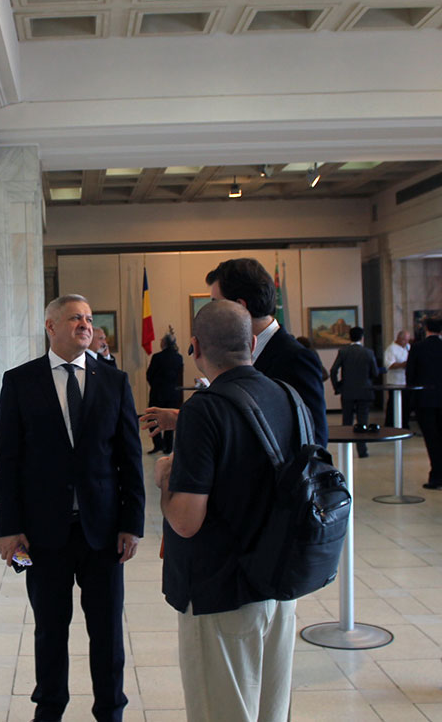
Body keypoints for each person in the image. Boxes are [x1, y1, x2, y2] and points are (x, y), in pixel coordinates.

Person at [0, 294, 145, 722]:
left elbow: (130, 457)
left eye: (89, 318)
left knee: (107, 632)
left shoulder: (114, 381)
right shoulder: (20, 382)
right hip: (43, 535)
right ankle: (50, 708)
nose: (86, 324)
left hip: (103, 531)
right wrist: (8, 527)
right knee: (50, 630)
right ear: (50, 326)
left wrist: (132, 522)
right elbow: (5, 459)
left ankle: (110, 709)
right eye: (75, 317)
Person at [155, 300, 298, 722]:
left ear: (194, 348)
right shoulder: (286, 394)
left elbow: (185, 520)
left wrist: (165, 477)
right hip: (278, 586)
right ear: (252, 343)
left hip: (222, 593)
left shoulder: (205, 409)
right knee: (271, 712)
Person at [143, 259, 329, 448]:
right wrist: (183, 417)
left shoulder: (296, 359)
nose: (212, 311)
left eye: (216, 303)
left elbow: (314, 440)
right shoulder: (238, 353)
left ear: (240, 306)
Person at [330, 326, 377, 458]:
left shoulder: (343, 351)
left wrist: (337, 386)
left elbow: (333, 370)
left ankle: (346, 449)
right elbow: (375, 372)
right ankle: (362, 450)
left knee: (347, 421)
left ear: (349, 337)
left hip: (347, 390)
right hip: (365, 390)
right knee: (362, 421)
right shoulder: (368, 352)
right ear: (362, 338)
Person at [408, 317, 442, 489]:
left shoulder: (418, 348)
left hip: (425, 399)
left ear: (427, 329)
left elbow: (410, 376)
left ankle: (436, 476)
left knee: (432, 439)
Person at [146, 329, 183, 454]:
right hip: (173, 393)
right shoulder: (179, 357)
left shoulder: (157, 357)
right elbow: (179, 376)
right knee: (170, 419)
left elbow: (149, 375)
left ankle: (158, 444)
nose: (160, 342)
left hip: (158, 393)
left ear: (165, 343)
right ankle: (168, 447)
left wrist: (155, 386)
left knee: (152, 418)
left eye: (161, 341)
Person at [384, 329, 412, 428]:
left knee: (406, 404)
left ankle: (404, 424)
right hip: (395, 381)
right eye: (404, 340)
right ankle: (390, 424)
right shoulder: (391, 349)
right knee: (393, 404)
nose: (406, 342)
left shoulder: (408, 347)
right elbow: (389, 365)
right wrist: (403, 364)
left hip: (406, 381)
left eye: (408, 340)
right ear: (399, 338)